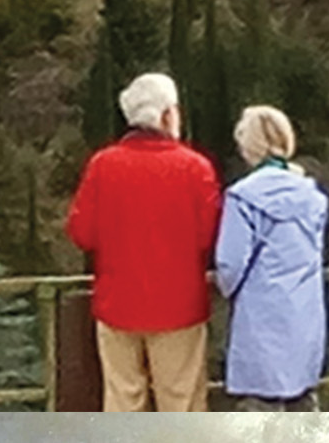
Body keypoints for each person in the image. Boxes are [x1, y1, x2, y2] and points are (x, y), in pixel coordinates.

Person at [65, 71, 222, 411]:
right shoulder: (195, 168)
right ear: (167, 115)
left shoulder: (102, 165)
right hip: (180, 307)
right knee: (181, 406)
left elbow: (82, 233)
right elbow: (208, 236)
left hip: (117, 305)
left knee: (122, 403)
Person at [215, 105, 329, 412]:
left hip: (260, 315)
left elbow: (230, 263)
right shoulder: (313, 197)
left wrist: (227, 291)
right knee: (303, 403)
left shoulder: (242, 197)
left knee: (259, 406)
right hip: (305, 312)